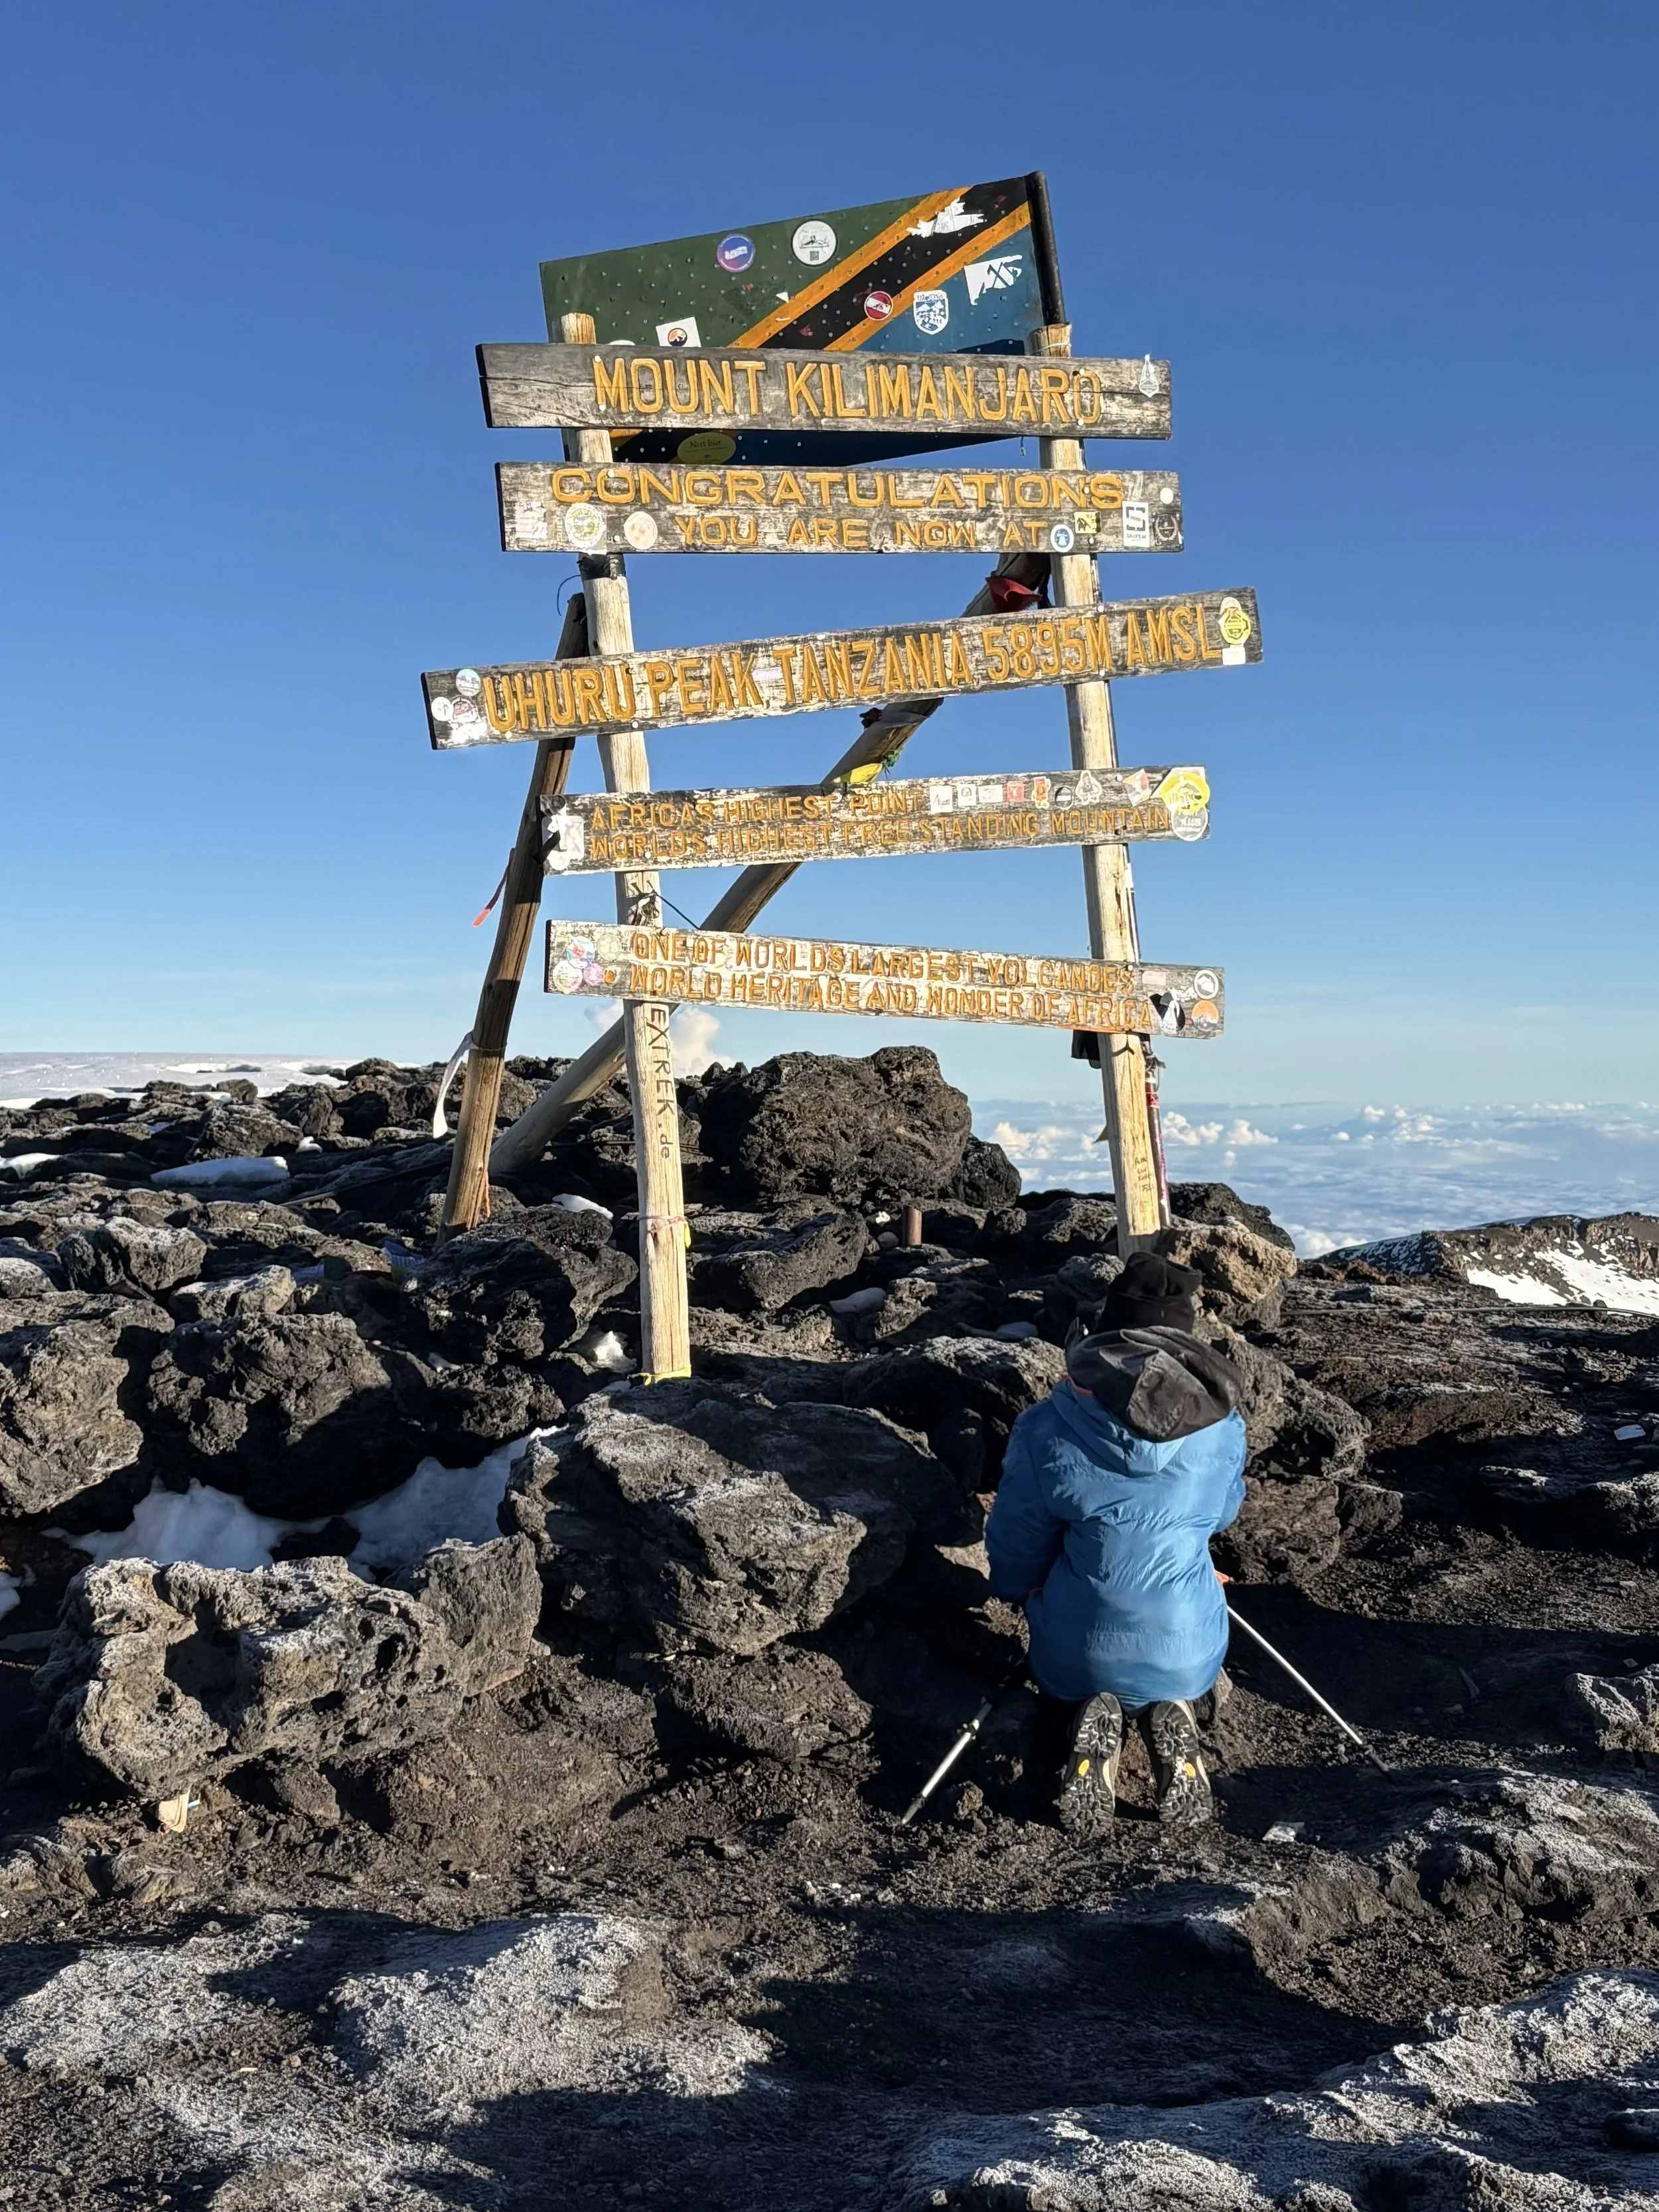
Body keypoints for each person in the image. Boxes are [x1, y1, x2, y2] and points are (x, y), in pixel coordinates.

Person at [985, 1251, 1247, 1833]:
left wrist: (1017, 1590)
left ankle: (1084, 1717)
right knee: (1182, 1622)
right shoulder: (1224, 1428)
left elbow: (1017, 1541)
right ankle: (1175, 1707)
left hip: (1076, 1651)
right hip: (1190, 1647)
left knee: (1072, 1644)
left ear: (1106, 1333)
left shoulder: (1046, 1426)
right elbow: (1222, 1513)